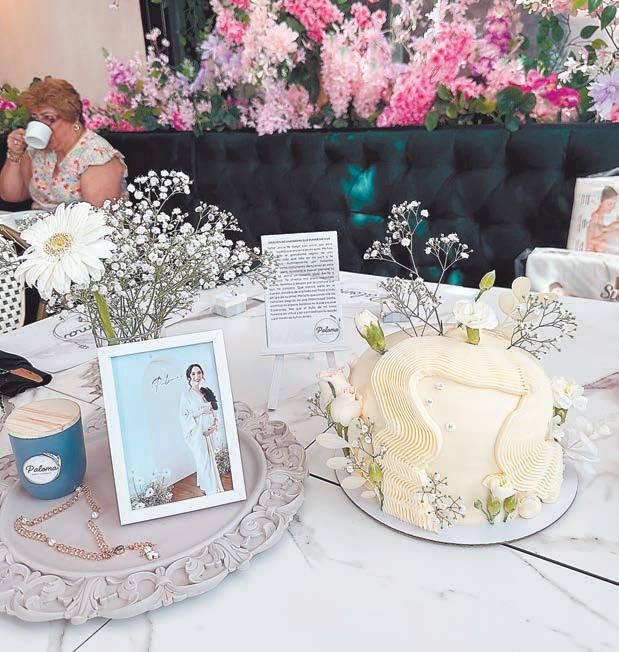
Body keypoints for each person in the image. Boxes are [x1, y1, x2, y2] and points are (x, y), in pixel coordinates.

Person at [0, 78, 127, 210]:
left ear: (72, 117)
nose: (41, 125)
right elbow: (11, 195)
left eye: (48, 118)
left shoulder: (95, 156)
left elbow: (97, 216)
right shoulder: (37, 149)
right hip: (37, 221)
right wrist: (15, 153)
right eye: (35, 118)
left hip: (79, 223)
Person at [178, 363, 224, 495]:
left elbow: (214, 412)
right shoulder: (186, 396)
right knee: (203, 461)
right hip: (197, 435)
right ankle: (211, 491)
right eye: (193, 373)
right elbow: (184, 417)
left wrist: (213, 427)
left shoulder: (206, 392)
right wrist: (201, 411)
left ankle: (215, 488)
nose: (196, 376)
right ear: (189, 377)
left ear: (202, 374)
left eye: (199, 372)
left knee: (211, 461)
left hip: (209, 433)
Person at [585, 186, 619, 254]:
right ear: (601, 202)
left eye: (614, 204)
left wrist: (605, 230)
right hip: (594, 249)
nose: (612, 207)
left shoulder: (602, 216)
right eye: (610, 204)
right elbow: (589, 241)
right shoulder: (595, 217)